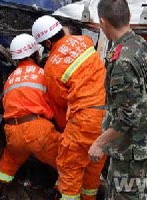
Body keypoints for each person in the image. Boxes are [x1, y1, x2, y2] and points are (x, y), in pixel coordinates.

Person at [88, 0, 147, 200]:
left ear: (103, 22)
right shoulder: (143, 45)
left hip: (130, 152)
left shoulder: (123, 62)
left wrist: (99, 143)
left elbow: (126, 118)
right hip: (141, 145)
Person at [32, 15, 107, 200]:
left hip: (83, 121)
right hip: (106, 119)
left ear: (47, 43)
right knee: (93, 169)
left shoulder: (51, 68)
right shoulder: (85, 41)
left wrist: (65, 132)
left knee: (69, 169)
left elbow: (60, 105)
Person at [0, 33, 61, 200]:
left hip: (13, 133)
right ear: (35, 53)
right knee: (67, 161)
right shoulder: (42, 74)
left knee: (8, 164)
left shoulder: (10, 79)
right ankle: (57, 194)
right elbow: (54, 103)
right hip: (37, 131)